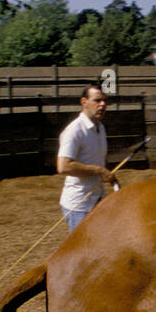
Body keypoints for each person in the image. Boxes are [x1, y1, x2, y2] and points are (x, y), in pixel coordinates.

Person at [57, 83, 114, 231]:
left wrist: (106, 172)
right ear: (84, 102)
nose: (102, 104)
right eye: (97, 100)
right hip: (78, 205)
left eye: (105, 101)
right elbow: (63, 166)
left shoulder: (100, 128)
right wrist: (99, 171)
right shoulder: (74, 130)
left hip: (97, 199)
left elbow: (98, 158)